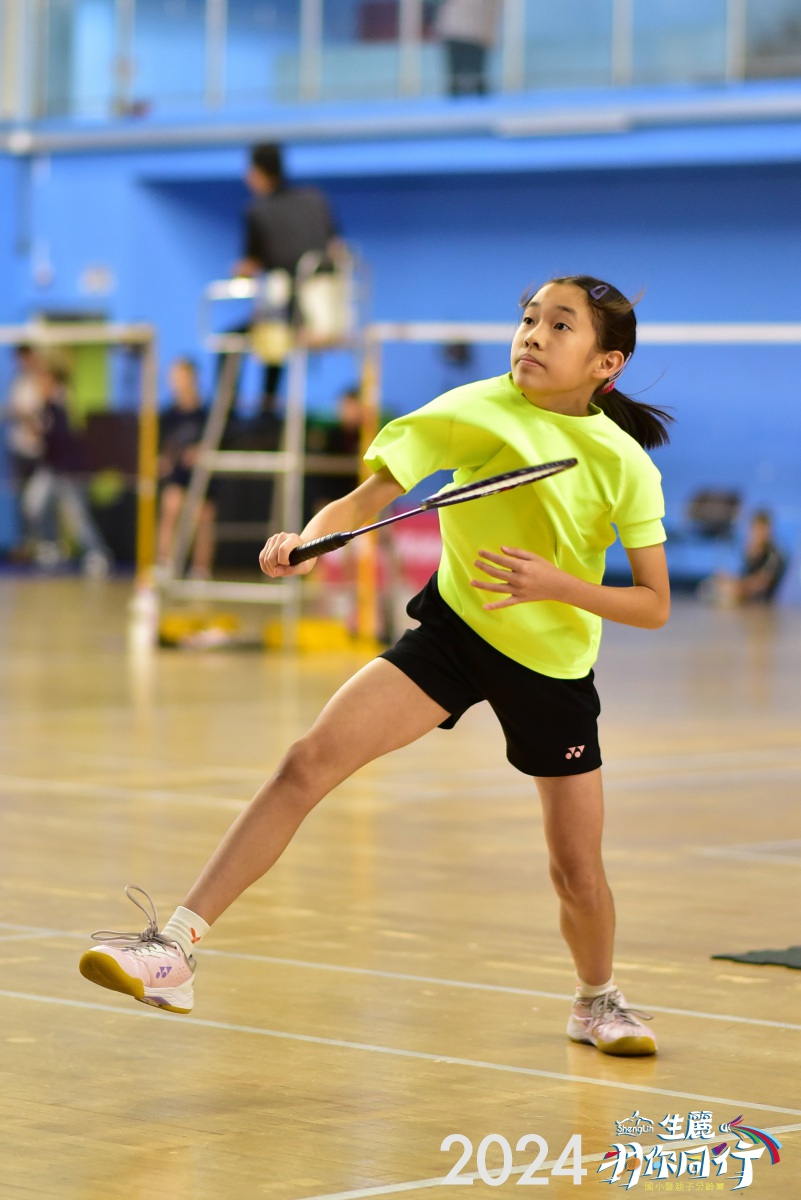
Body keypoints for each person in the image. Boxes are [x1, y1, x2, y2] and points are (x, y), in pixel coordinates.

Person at [79, 275, 672, 1057]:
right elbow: (364, 502)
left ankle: (596, 1001)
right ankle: (175, 948)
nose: (532, 334)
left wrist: (557, 586)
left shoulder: (623, 462)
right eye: (528, 318)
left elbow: (653, 603)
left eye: (560, 325)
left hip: (551, 667)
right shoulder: (471, 409)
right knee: (307, 761)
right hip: (456, 634)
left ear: (607, 363)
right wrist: (304, 539)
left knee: (575, 872)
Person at [232, 143, 341, 414]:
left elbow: (250, 265)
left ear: (257, 173)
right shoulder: (315, 199)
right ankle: (267, 406)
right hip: (331, 312)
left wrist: (239, 272)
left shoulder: (257, 211)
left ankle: (246, 410)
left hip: (290, 316)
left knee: (235, 338)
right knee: (270, 321)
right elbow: (336, 248)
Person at [24, 357, 111, 576]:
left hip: (71, 469)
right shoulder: (45, 406)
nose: (40, 385)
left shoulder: (64, 401)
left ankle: (97, 553)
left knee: (77, 516)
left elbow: (69, 434)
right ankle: (52, 545)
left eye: (44, 380)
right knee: (34, 503)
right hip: (51, 466)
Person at [156, 357, 216, 580]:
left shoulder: (207, 414)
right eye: (173, 378)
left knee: (203, 514)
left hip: (202, 479)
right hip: (178, 477)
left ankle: (200, 569)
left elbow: (217, 443)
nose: (176, 383)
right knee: (171, 504)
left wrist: (201, 452)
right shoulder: (168, 416)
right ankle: (164, 564)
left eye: (180, 377)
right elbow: (162, 450)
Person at [1, 345, 48, 557]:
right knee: (21, 501)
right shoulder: (17, 382)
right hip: (19, 448)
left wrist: (30, 418)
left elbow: (45, 415)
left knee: (38, 501)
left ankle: (45, 544)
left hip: (39, 450)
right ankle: (26, 545)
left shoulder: (41, 380)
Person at [706, 510, 786, 606]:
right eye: (755, 529)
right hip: (748, 601)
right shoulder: (749, 552)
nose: (757, 534)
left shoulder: (774, 555)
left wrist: (736, 586)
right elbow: (744, 575)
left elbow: (762, 583)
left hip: (764, 604)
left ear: (768, 531)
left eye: (761, 530)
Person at [436, 0, 501, 97]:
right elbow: (492, 11)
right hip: (473, 33)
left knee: (457, 80)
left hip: (459, 31)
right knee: (476, 79)